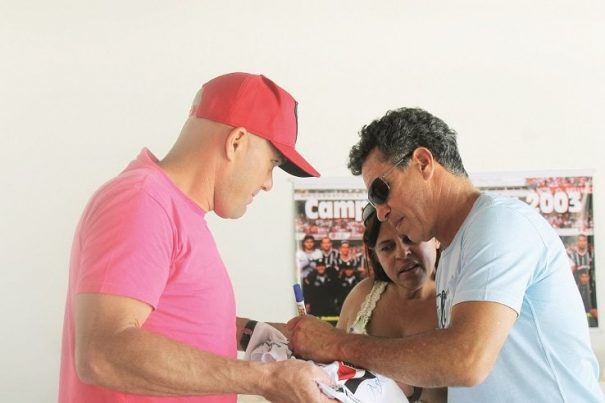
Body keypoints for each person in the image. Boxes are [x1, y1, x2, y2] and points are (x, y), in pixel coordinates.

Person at [288, 107, 603, 402]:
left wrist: (335, 343)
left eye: (381, 192)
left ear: (423, 162)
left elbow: (466, 360)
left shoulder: (499, 224)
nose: (381, 213)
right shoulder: (454, 251)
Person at [58, 72, 334, 403]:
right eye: (272, 164)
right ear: (236, 142)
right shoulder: (142, 201)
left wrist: (264, 335)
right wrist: (267, 379)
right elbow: (102, 352)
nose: (267, 184)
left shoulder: (172, 209)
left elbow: (177, 324)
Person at [336, 203, 446, 402]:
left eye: (410, 238)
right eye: (387, 247)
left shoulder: (457, 301)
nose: (402, 253)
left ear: (435, 239)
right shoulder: (362, 296)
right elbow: (335, 369)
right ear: (376, 256)